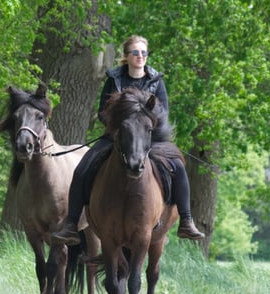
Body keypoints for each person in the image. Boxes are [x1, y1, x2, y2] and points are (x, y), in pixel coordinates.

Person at [52, 35, 205, 245]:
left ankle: (186, 221)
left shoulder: (156, 81)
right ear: (127, 56)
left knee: (178, 166)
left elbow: (163, 114)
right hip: (116, 137)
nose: (141, 56)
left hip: (151, 140)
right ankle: (71, 224)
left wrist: (145, 130)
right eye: (136, 52)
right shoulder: (114, 79)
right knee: (83, 168)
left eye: (144, 53)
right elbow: (102, 112)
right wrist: (118, 127)